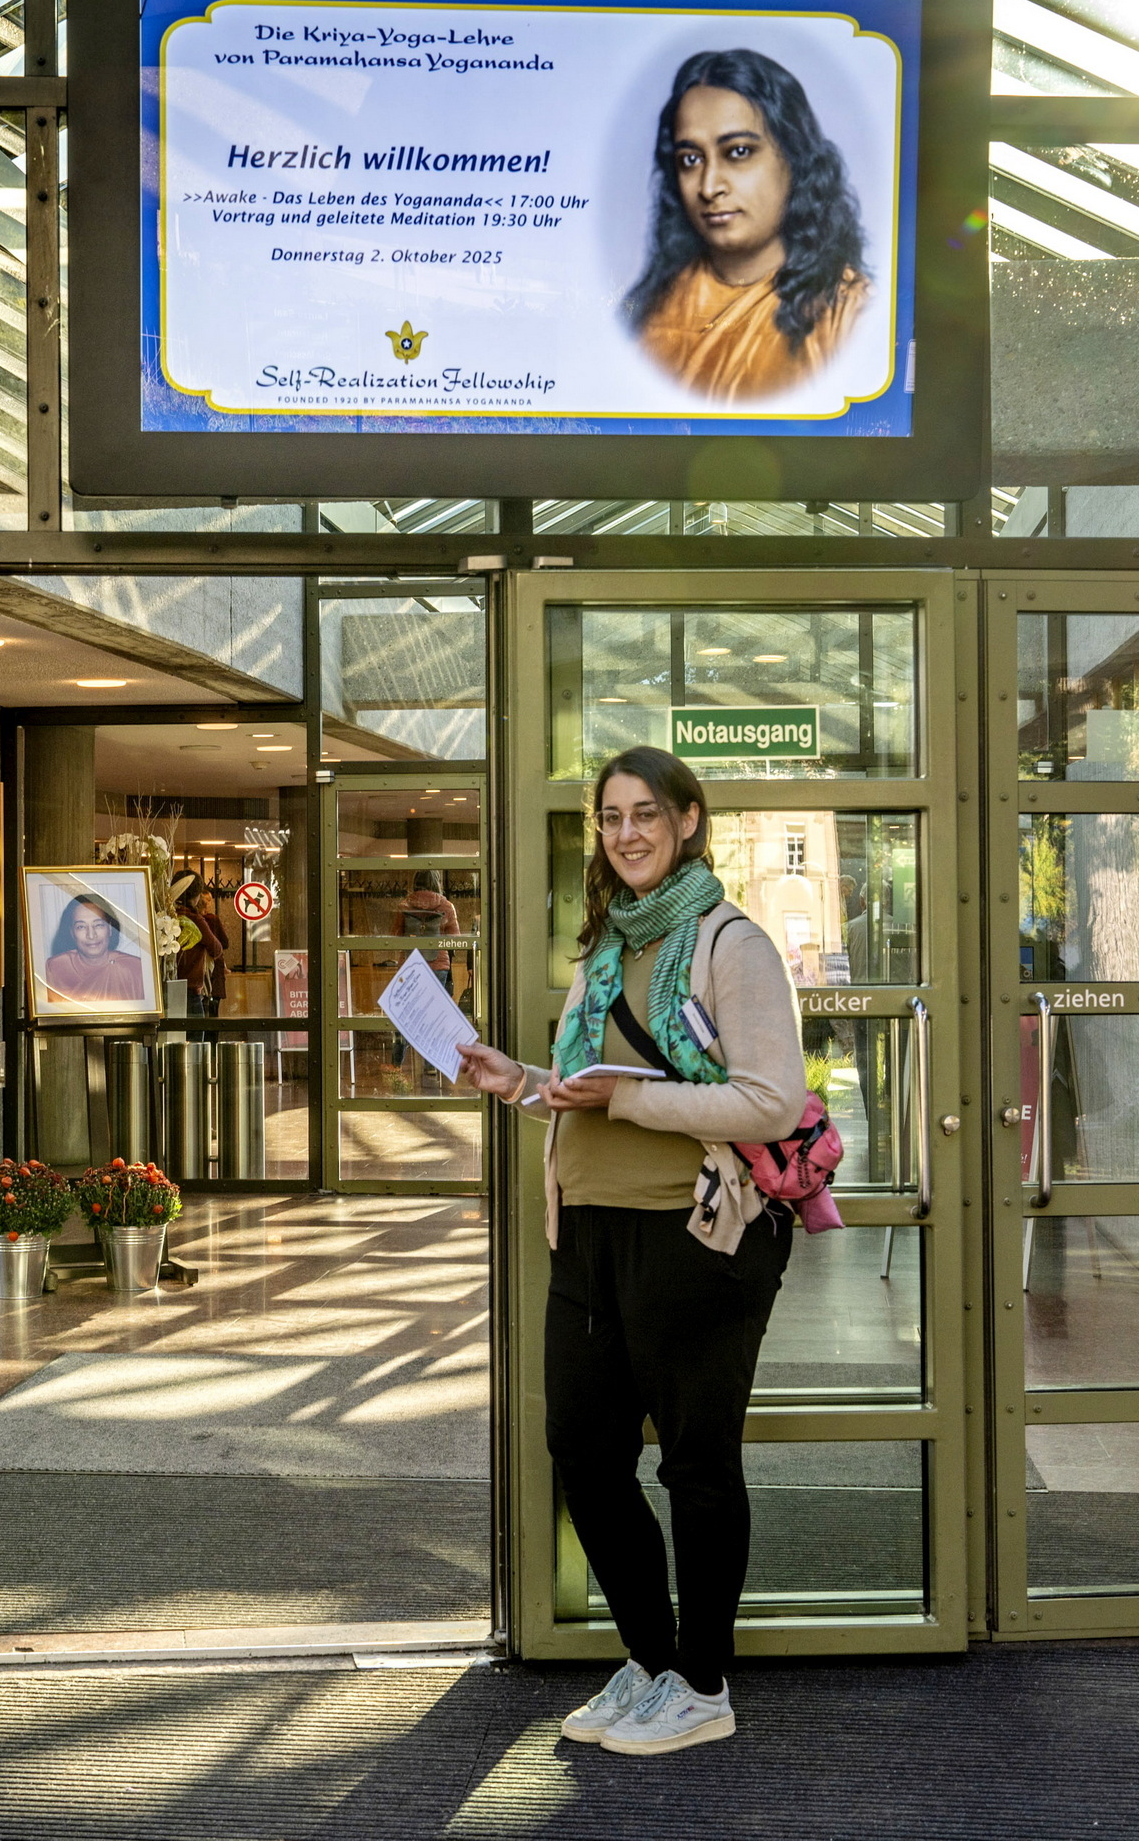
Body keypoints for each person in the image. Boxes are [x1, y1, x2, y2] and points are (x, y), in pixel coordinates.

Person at [459, 747, 805, 1756]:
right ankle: (651, 1661)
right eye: (609, 818)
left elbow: (770, 1098)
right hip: (593, 1235)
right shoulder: (602, 943)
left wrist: (628, 1098)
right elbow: (584, 1085)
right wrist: (516, 1079)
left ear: (689, 820)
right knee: (585, 1454)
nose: (626, 833)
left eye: (645, 813)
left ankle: (702, 1681)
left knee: (697, 1465)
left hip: (695, 1235)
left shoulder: (728, 943)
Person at [624, 48, 868, 404]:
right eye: (690, 159)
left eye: (738, 152)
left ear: (794, 158)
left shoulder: (846, 312)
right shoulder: (650, 310)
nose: (709, 187)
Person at [392, 868, 461, 1068]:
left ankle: (396, 1063)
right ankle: (431, 1066)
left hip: (409, 964)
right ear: (436, 883)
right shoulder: (446, 905)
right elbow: (455, 939)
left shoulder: (404, 905)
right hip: (438, 964)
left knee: (404, 1014)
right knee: (433, 1016)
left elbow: (395, 935)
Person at [45, 889, 149, 1006]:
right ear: (72, 932)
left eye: (98, 925)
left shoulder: (135, 968)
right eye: (81, 927)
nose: (91, 935)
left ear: (110, 928)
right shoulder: (54, 969)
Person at [170, 870, 228, 1016]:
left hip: (167, 987)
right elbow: (217, 948)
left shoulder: (166, 917)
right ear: (196, 896)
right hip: (190, 989)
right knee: (194, 1037)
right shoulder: (194, 919)